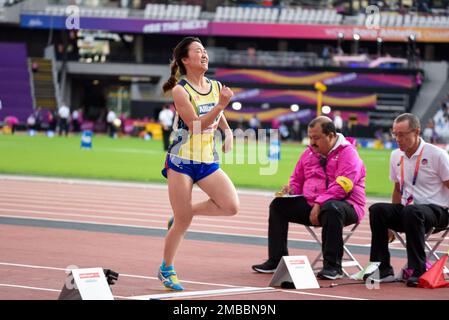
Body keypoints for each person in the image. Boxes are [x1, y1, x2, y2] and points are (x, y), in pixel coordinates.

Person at [158, 37, 239, 291]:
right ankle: (166, 269)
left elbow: (219, 116)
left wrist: (227, 132)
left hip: (207, 161)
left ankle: (183, 211)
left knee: (231, 206)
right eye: (198, 51)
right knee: (182, 224)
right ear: (185, 59)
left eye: (205, 51)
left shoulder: (215, 86)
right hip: (181, 161)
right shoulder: (181, 90)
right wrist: (221, 105)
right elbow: (194, 125)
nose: (204, 55)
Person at [252, 116, 366, 280]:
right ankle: (276, 259)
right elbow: (297, 179)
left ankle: (333, 267)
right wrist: (291, 190)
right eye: (310, 137)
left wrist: (320, 203)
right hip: (314, 206)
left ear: (331, 135)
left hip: (347, 206)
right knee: (278, 205)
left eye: (316, 138)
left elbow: (343, 185)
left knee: (331, 207)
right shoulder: (308, 153)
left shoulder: (349, 153)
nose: (312, 142)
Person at [364, 113, 449, 287]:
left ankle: (417, 270)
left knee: (412, 211)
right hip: (409, 212)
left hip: (438, 212)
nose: (397, 139)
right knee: (377, 209)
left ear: (417, 132)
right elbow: (397, 189)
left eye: (402, 134)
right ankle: (382, 268)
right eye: (395, 134)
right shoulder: (396, 155)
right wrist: (389, 222)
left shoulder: (437, 154)